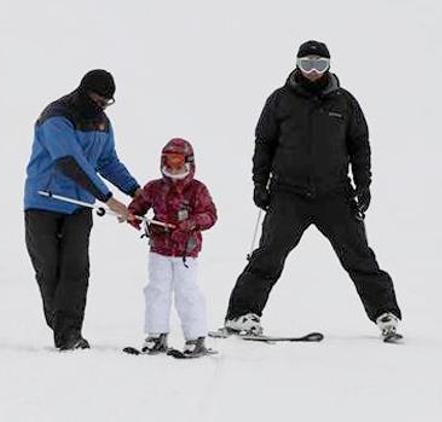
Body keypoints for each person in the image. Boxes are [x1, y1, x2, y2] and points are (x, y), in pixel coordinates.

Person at [223, 40, 403, 340]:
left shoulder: (345, 103)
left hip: (334, 194)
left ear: (329, 66)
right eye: (307, 64)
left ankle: (385, 314)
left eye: (319, 65)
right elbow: (263, 143)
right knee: (269, 254)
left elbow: (360, 146)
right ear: (297, 64)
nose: (313, 71)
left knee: (358, 256)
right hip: (287, 193)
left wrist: (364, 185)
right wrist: (259, 182)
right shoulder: (279, 100)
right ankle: (241, 313)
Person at [24, 69, 141, 351]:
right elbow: (70, 161)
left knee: (76, 268)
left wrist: (136, 191)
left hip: (78, 208)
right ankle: (60, 323)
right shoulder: (57, 116)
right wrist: (110, 200)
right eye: (99, 100)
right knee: (49, 269)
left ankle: (70, 333)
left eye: (107, 103)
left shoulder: (102, 124)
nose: (101, 107)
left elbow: (107, 161)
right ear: (84, 92)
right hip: (43, 203)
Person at [128, 138, 217, 356]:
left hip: (186, 252)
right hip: (159, 249)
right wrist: (134, 215)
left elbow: (210, 215)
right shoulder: (155, 187)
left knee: (187, 292)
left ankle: (196, 338)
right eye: (169, 161)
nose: (174, 167)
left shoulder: (197, 189)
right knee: (156, 290)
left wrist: (193, 222)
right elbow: (139, 205)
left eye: (178, 162)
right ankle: (156, 335)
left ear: (189, 162)